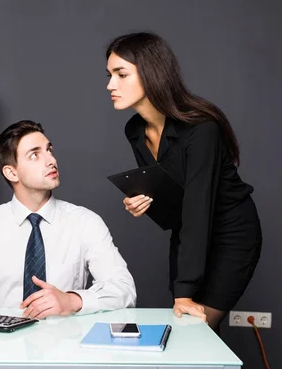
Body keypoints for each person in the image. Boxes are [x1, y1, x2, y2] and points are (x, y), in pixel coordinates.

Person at [105, 32, 262, 332]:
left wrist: (184, 291)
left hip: (230, 235)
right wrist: (143, 201)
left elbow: (198, 207)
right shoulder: (134, 130)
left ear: (152, 73)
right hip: (187, 233)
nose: (110, 85)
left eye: (121, 74)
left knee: (196, 330)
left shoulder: (202, 129)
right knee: (190, 329)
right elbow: (171, 195)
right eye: (110, 75)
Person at [0, 120, 136, 319]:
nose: (51, 160)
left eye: (49, 150)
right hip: (0, 346)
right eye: (35, 155)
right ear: (11, 172)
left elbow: (124, 289)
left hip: (66, 343)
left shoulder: (85, 222)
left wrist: (72, 300)